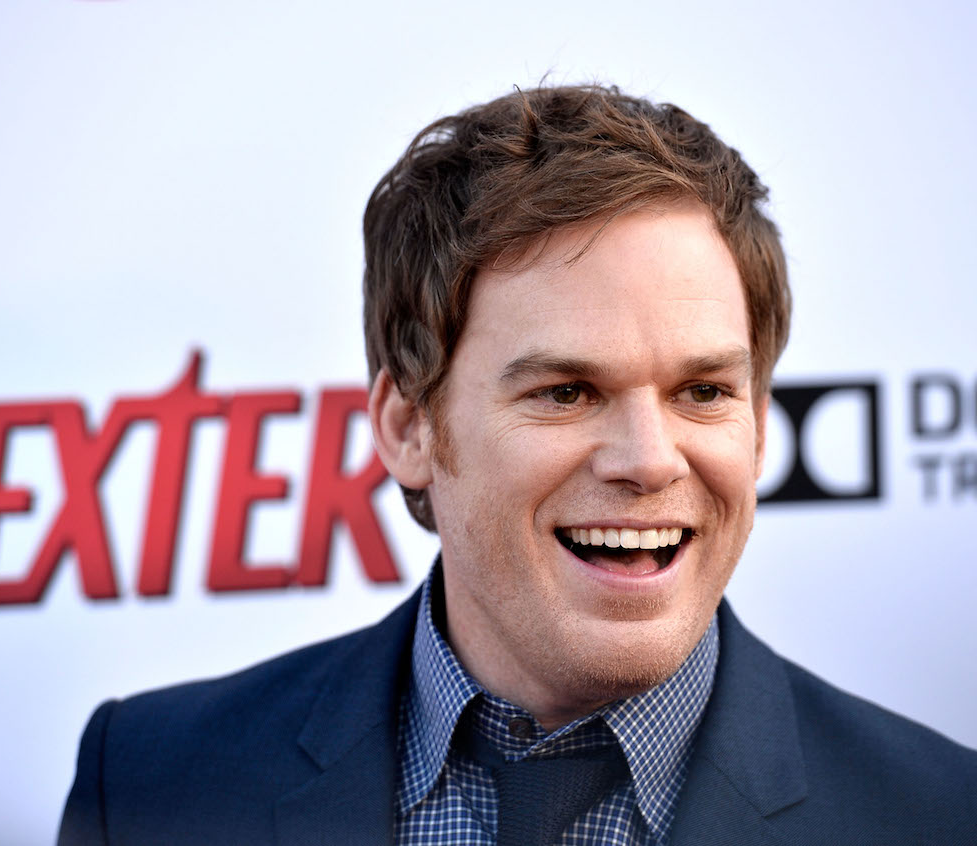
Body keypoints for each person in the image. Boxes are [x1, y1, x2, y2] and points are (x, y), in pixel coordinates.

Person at [58, 85, 977, 845]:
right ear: (410, 426)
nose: (651, 461)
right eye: (567, 392)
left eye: (702, 391)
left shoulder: (939, 816)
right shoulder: (148, 783)